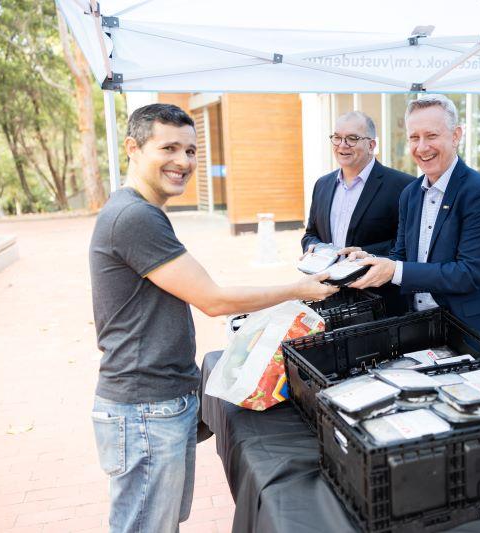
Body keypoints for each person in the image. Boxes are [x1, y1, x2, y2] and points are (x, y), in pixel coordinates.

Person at [89, 103, 337, 533]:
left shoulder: (139, 211)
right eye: (169, 148)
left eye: (190, 150)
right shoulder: (134, 216)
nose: (183, 162)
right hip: (145, 406)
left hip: (155, 400)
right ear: (132, 147)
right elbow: (214, 299)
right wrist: (298, 290)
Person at [348, 94, 480, 351]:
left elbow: (467, 273)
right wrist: (365, 258)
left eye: (431, 136)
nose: (422, 147)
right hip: (421, 329)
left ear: (456, 135)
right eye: (414, 137)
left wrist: (394, 269)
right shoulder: (410, 195)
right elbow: (400, 255)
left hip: (472, 333)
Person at [301, 111, 415, 316]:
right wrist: (314, 248)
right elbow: (310, 233)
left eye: (352, 138)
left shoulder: (403, 186)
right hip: (330, 298)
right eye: (337, 137)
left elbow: (407, 245)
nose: (342, 145)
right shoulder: (322, 185)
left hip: (381, 304)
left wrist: (360, 254)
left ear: (371, 145)